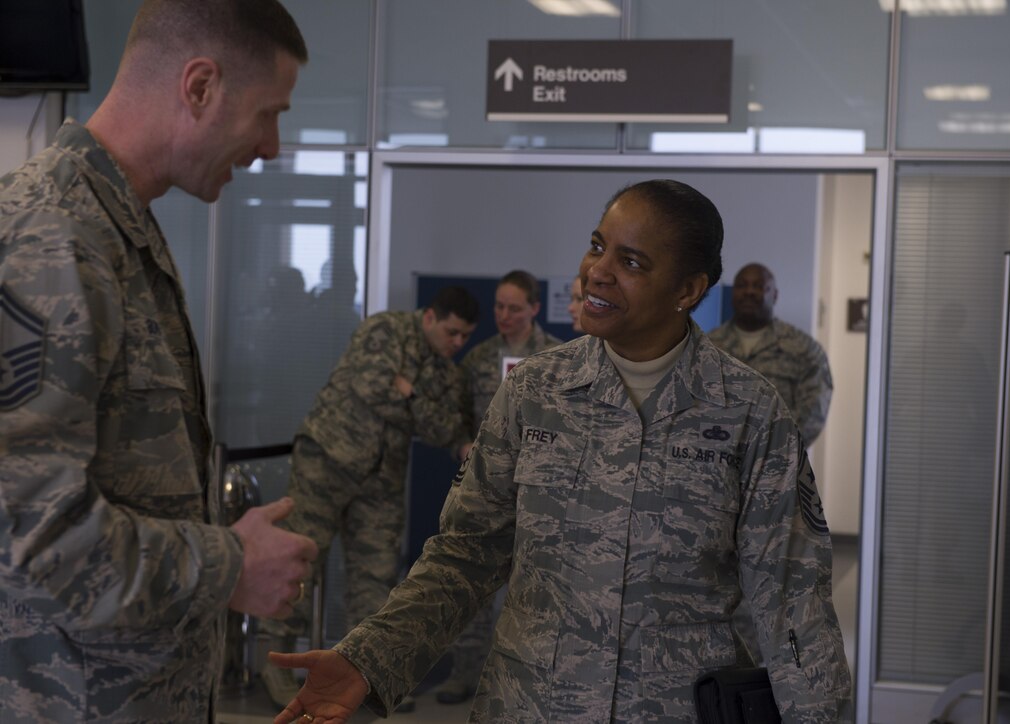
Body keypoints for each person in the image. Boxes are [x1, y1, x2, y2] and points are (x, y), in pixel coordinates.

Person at [268, 179, 852, 723]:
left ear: (688, 290)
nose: (596, 272)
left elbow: (793, 603)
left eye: (631, 262)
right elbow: (463, 557)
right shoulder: (533, 393)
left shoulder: (749, 413)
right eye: (598, 246)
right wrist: (369, 660)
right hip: (529, 707)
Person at [0, 1, 317, 721]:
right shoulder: (50, 238)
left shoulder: (121, 229)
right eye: (268, 112)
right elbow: (31, 535)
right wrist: (230, 566)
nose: (271, 145)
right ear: (199, 86)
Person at [259, 286, 480, 710]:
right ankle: (277, 664)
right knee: (300, 559)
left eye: (465, 336)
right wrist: (416, 402)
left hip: (381, 480)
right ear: (430, 316)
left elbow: (444, 430)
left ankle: (361, 676)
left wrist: (408, 391)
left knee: (374, 578)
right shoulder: (386, 329)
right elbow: (370, 386)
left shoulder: (447, 372)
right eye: (452, 332)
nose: (457, 343)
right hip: (328, 459)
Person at [430, 270, 563, 705]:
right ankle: (465, 671)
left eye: (514, 308)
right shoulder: (479, 359)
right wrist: (462, 444)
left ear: (534, 309)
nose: (504, 315)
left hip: (540, 491)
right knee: (471, 574)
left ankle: (518, 680)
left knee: (529, 586)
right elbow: (457, 418)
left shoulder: (557, 358)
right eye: (498, 307)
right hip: (485, 487)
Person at [708, 263, 834, 446]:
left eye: (759, 286)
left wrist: (771, 451)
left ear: (774, 295)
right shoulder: (708, 347)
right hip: (714, 461)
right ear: (733, 293)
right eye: (742, 285)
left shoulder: (803, 349)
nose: (749, 292)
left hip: (776, 465)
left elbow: (813, 413)